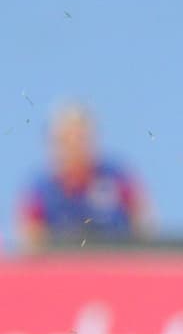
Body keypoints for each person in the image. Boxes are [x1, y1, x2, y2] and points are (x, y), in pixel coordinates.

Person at [16, 102, 151, 252]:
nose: (74, 146)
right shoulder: (40, 190)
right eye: (67, 139)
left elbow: (144, 226)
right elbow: (30, 243)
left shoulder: (117, 178)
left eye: (80, 137)